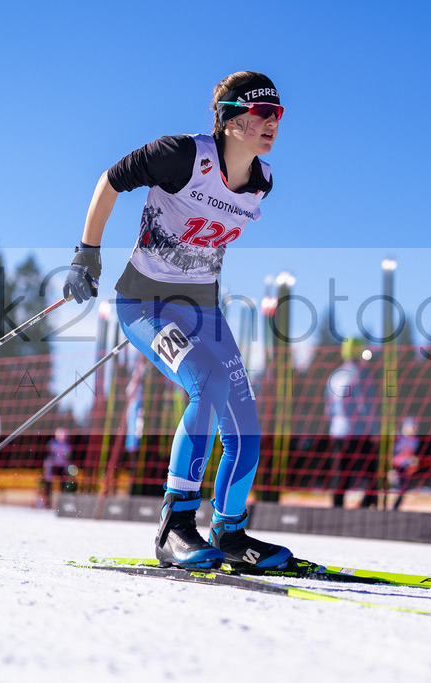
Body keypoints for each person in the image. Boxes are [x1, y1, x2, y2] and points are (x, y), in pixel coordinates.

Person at [62, 71, 290, 570]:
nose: (273, 122)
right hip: (144, 306)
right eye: (261, 113)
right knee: (203, 382)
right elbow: (111, 180)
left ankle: (231, 534)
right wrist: (87, 254)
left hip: (202, 310)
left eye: (279, 113)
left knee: (246, 427)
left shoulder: (263, 183)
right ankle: (175, 527)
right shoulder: (182, 155)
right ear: (230, 119)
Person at [325, 338, 379, 509]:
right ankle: (368, 506)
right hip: (358, 431)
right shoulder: (361, 374)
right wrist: (375, 430)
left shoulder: (334, 375)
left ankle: (337, 508)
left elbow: (329, 408)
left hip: (338, 430)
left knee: (341, 472)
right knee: (370, 470)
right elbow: (365, 406)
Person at [390, 417, 420, 511]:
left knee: (402, 488)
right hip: (394, 466)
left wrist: (414, 460)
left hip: (405, 468)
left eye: (415, 427)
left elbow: (413, 456)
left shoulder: (415, 441)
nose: (413, 429)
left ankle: (395, 507)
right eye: (411, 426)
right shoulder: (397, 437)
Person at [39, 428, 73, 508]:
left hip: (62, 466)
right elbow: (48, 455)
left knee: (64, 481)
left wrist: (68, 467)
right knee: (48, 480)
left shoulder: (67, 445)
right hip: (52, 465)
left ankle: (62, 500)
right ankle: (47, 500)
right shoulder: (52, 443)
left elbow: (68, 458)